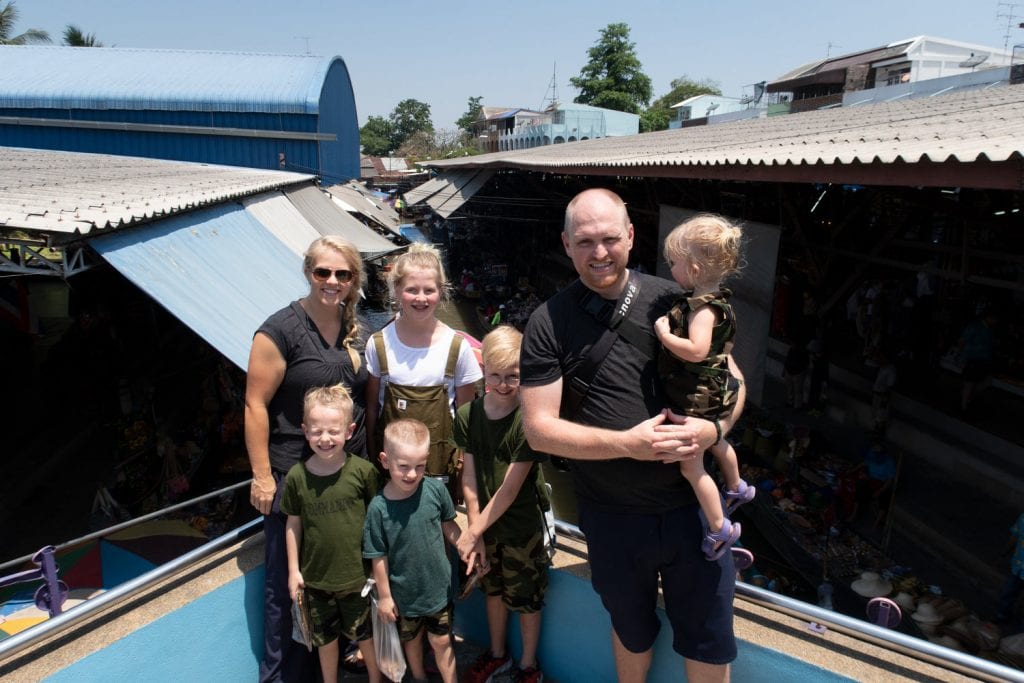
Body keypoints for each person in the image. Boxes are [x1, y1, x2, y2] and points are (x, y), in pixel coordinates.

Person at [519, 188, 746, 683]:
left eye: (608, 239)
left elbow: (733, 379)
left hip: (692, 510)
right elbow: (538, 431)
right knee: (630, 629)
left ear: (630, 236)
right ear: (565, 244)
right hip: (613, 514)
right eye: (585, 242)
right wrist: (628, 443)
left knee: (709, 637)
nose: (599, 253)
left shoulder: (675, 299)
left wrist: (713, 429)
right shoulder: (547, 323)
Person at [245, 235, 368, 682]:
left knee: (341, 576)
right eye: (323, 272)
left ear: (353, 280)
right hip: (293, 477)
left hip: (345, 479)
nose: (332, 281)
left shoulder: (357, 331)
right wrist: (262, 476)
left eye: (342, 274)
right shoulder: (279, 330)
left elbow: (366, 402)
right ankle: (280, 676)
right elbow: (255, 404)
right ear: (308, 272)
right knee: (286, 585)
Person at [653, 214, 753, 561]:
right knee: (719, 439)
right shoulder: (721, 301)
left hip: (699, 395)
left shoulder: (702, 309)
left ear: (693, 269)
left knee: (692, 468)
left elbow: (696, 350)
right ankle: (738, 485)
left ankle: (719, 526)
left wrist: (665, 336)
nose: (671, 271)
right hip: (717, 389)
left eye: (674, 263)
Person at [454, 326, 550, 683]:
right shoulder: (468, 416)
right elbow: (469, 477)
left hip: (521, 529)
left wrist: (473, 531)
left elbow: (510, 489)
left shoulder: (528, 422)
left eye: (513, 376)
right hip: (487, 529)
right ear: (483, 373)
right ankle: (497, 654)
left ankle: (528, 665)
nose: (504, 384)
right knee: (491, 591)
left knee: (527, 600)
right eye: (495, 375)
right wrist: (477, 532)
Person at [365, 243, 482, 501]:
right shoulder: (378, 344)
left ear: (441, 291)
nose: (421, 298)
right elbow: (372, 410)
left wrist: (464, 468)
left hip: (441, 472)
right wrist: (373, 455)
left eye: (429, 290)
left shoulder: (457, 347)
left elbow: (466, 418)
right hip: (390, 473)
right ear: (396, 290)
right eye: (411, 290)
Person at [282, 385, 381, 683]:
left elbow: (376, 520)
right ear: (305, 431)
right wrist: (292, 570)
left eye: (333, 431)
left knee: (364, 636)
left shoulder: (363, 472)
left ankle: (377, 679)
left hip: (356, 579)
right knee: (325, 641)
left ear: (349, 431)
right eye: (317, 431)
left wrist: (379, 565)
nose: (325, 439)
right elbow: (293, 524)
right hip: (316, 580)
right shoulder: (297, 476)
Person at [363, 419, 462, 683]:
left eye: (419, 466)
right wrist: (385, 597)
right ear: (385, 460)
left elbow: (449, 527)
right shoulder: (378, 508)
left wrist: (466, 547)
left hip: (438, 589)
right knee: (413, 642)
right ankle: (419, 677)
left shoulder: (436, 491)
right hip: (403, 596)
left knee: (442, 641)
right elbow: (378, 556)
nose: (411, 474)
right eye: (403, 466)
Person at [997, 512, 1024, 626]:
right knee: (1009, 592)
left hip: (1018, 565)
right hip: (1018, 565)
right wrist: (1004, 553)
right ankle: (1003, 615)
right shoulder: (1023, 518)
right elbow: (1014, 536)